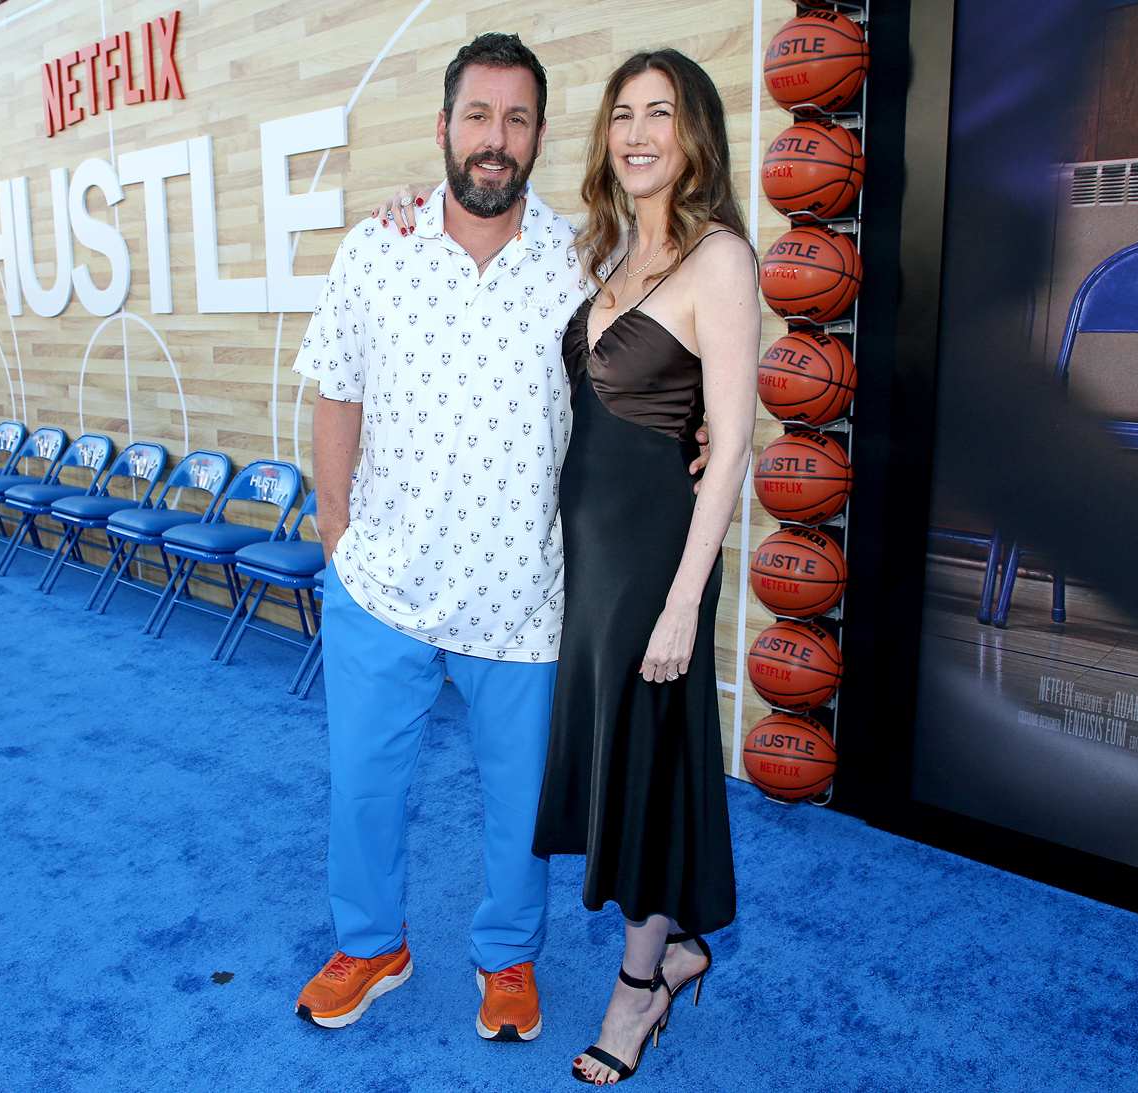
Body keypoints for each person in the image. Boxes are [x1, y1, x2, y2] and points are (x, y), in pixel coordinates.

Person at [376, 49, 758, 1084]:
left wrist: (684, 602)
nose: (637, 133)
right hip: (581, 560)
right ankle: (674, 946)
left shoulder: (719, 258)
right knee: (621, 756)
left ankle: (639, 991)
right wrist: (409, 205)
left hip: (653, 563)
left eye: (661, 115)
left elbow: (732, 443)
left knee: (645, 751)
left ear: (696, 134)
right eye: (622, 114)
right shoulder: (600, 254)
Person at [291, 32, 584, 1042]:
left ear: (539, 134)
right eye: (477, 115)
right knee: (363, 786)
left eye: (515, 118)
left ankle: (507, 958)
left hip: (524, 598)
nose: (494, 139)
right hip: (384, 587)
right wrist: (335, 532)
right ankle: (372, 943)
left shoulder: (583, 265)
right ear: (445, 127)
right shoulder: (379, 246)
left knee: (519, 811)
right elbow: (338, 388)